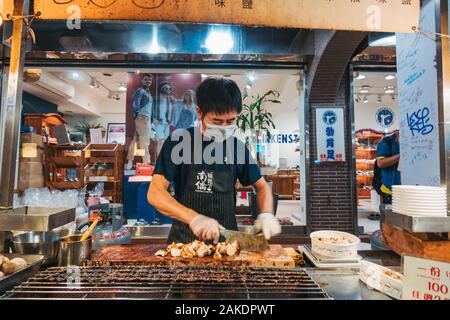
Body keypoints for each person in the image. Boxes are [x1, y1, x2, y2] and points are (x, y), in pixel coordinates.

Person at [148, 78, 281, 243]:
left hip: (228, 243)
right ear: (199, 113)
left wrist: (266, 214)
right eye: (217, 121)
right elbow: (155, 193)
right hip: (184, 243)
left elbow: (262, 187)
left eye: (231, 121)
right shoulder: (178, 142)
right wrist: (194, 218)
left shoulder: (237, 148)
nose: (224, 127)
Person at [126, 74, 153, 169]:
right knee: (145, 141)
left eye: (149, 80)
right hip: (143, 118)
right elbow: (135, 105)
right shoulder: (140, 91)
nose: (148, 82)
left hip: (145, 118)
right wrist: (138, 116)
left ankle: (130, 160)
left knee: (136, 140)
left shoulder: (147, 92)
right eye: (146, 80)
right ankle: (146, 163)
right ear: (142, 81)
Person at [376, 131, 401, 204]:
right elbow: (380, 163)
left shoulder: (413, 142)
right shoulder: (386, 142)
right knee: (391, 214)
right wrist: (402, 155)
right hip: (389, 190)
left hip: (409, 189)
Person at [153, 81, 176, 155]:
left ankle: (163, 159)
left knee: (165, 142)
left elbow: (173, 110)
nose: (168, 90)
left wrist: (171, 121)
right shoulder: (156, 99)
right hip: (159, 123)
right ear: (162, 89)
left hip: (167, 123)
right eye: (166, 88)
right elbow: (151, 110)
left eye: (169, 89)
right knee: (161, 141)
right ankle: (160, 160)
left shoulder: (170, 99)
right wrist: (154, 120)